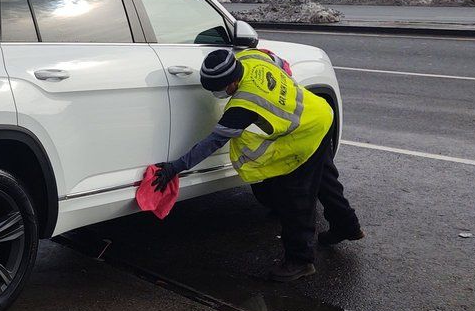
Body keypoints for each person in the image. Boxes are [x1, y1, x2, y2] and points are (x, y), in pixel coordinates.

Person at [153, 48, 363, 282]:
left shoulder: (244, 104)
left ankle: (300, 261)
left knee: (295, 198)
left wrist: (175, 167)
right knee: (325, 180)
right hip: (320, 114)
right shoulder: (250, 57)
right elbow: (281, 63)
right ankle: (347, 225)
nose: (217, 93)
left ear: (232, 82)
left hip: (305, 135)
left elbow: (211, 143)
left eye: (218, 89)